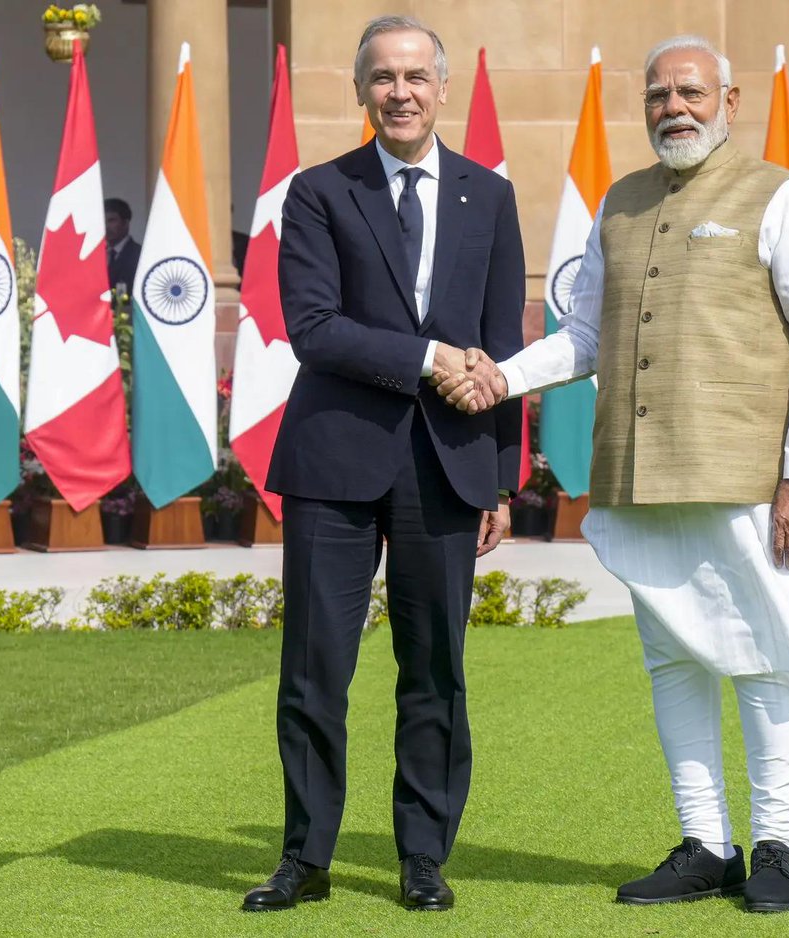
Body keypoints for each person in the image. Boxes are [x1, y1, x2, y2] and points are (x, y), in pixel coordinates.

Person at [434, 34, 789, 915]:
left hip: (746, 478)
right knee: (673, 658)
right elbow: (586, 336)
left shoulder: (782, 198)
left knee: (765, 658)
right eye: (659, 95)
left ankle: (777, 846)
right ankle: (706, 844)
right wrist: (501, 378)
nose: (675, 108)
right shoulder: (620, 203)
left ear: (729, 102)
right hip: (637, 474)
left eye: (692, 93)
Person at [241, 14, 525, 913]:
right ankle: (305, 858)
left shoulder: (491, 196)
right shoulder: (319, 191)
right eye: (383, 78)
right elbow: (313, 327)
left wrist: (502, 477)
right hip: (333, 463)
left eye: (415, 77)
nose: (400, 93)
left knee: (435, 669)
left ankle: (423, 858)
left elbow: (503, 348)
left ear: (442, 88)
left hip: (449, 466)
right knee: (316, 667)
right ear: (361, 90)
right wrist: (429, 358)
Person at [104, 197, 141, 292]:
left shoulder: (140, 255)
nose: (106, 226)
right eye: (102, 221)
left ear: (125, 223)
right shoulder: (96, 255)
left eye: (111, 220)